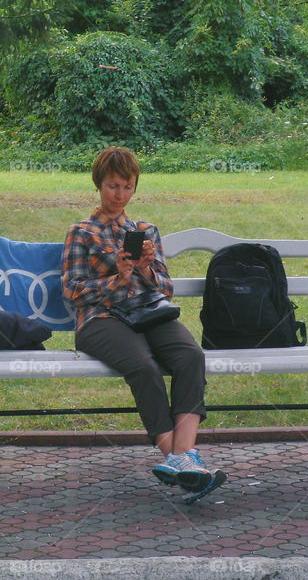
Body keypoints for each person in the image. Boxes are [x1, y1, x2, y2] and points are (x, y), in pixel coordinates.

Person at [61, 146, 217, 492]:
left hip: (148, 314)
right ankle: (179, 459)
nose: (120, 195)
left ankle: (183, 457)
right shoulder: (81, 232)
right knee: (144, 366)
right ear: (99, 185)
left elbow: (166, 288)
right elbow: (72, 292)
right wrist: (116, 277)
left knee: (191, 356)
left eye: (128, 186)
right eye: (113, 186)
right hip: (100, 320)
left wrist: (144, 268)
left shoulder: (146, 230)